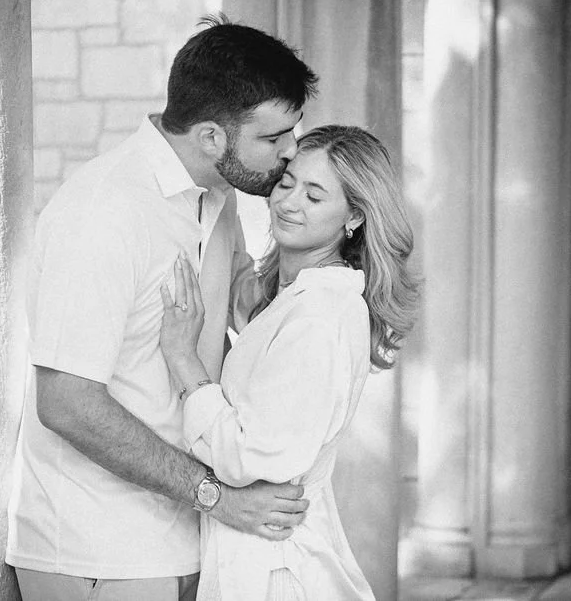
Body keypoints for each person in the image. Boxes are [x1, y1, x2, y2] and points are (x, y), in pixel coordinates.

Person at [5, 15, 319, 601]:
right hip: (93, 546)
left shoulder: (217, 196)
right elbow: (67, 404)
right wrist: (220, 498)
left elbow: (246, 306)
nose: (290, 152)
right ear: (211, 138)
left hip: (183, 537)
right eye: (274, 139)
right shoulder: (103, 214)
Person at [159, 125, 421, 600]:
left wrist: (184, 360)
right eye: (286, 183)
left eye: (314, 196)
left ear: (355, 217)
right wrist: (222, 187)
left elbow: (245, 460)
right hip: (252, 561)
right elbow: (237, 278)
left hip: (277, 572)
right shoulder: (289, 292)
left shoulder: (320, 316)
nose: (288, 202)